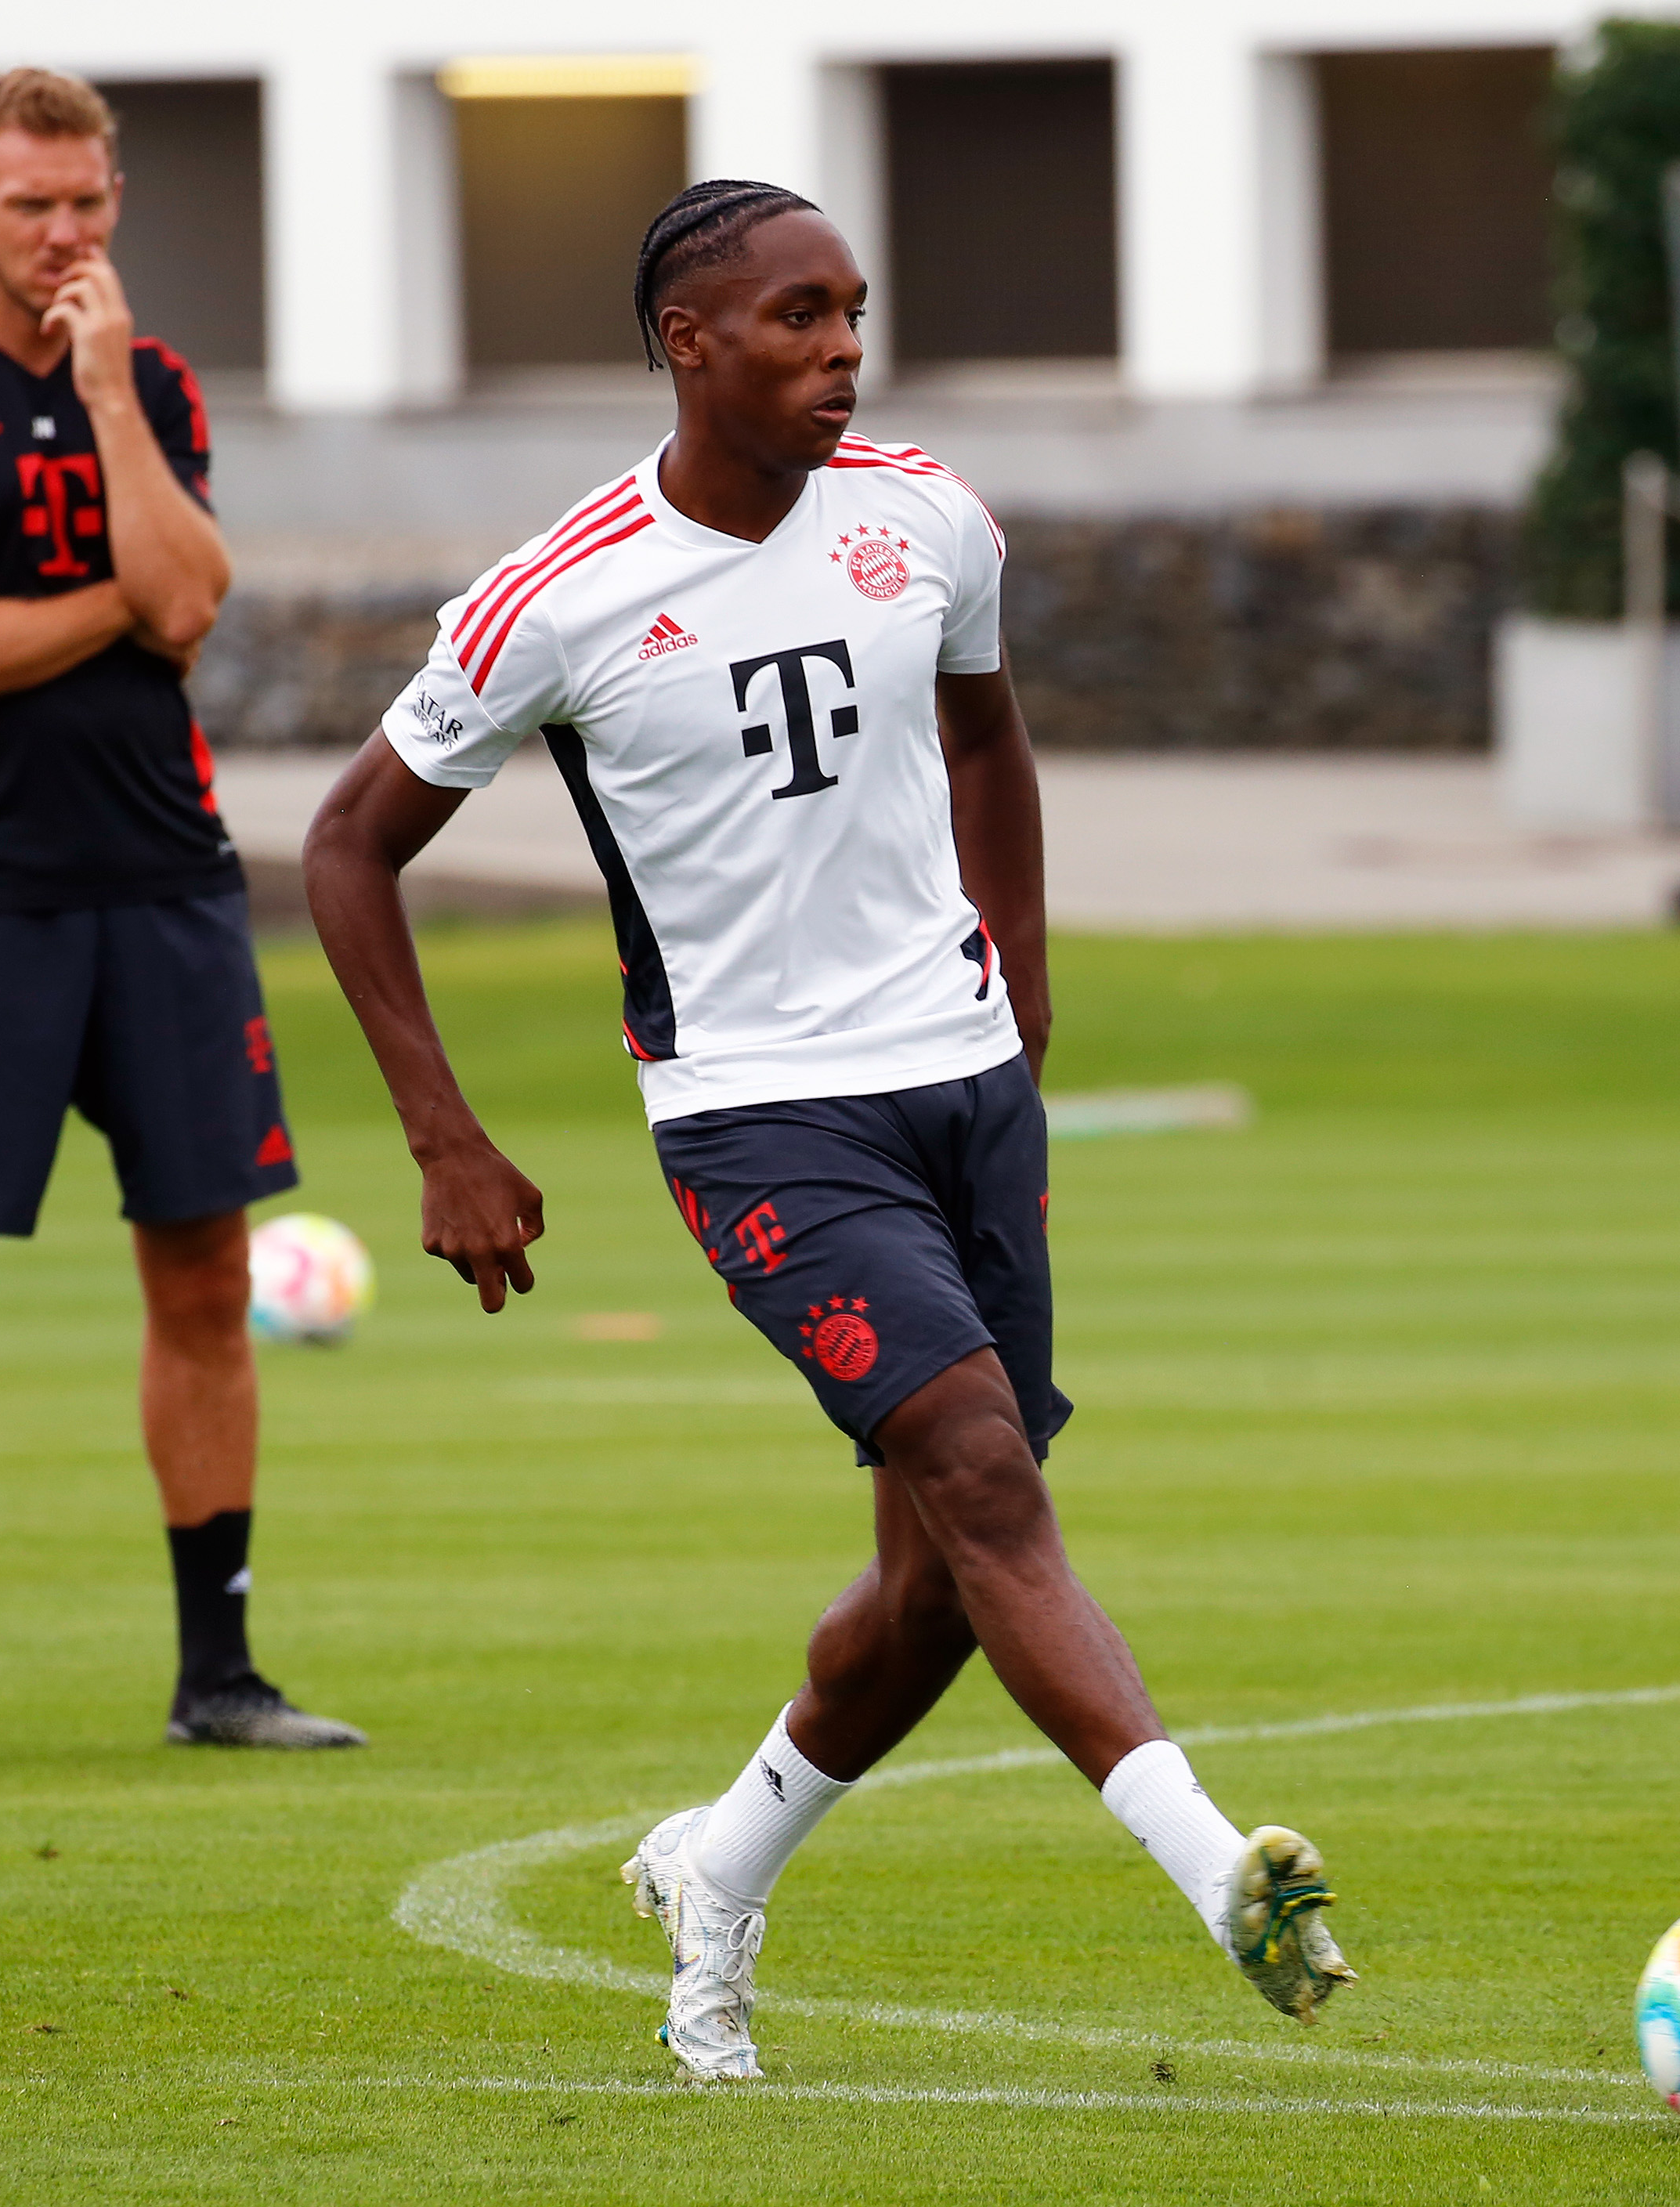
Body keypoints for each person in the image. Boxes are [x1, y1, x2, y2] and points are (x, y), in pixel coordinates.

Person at [301, 181, 1353, 2081]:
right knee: (988, 1476)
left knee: (940, 1579)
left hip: (959, 1083)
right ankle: (1223, 1868)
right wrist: (445, 1135)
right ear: (687, 342)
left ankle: (720, 1865)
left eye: (853, 312)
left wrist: (1018, 974)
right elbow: (346, 843)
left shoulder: (924, 512)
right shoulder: (558, 594)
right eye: (796, 317)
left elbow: (987, 737)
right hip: (759, 1118)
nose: (839, 350)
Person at [0, 68, 356, 1769]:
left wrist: (114, 400)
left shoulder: (158, 380)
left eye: (89, 202)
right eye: (31, 203)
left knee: (204, 1270)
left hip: (170, 881)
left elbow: (192, 607)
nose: (65, 233)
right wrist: (122, 600)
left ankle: (222, 1675)